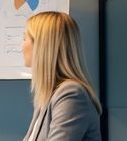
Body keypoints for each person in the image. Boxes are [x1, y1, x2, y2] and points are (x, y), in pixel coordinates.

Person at [21, 11, 102, 141]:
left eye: (25, 38)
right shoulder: (47, 95)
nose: (22, 46)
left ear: (42, 46)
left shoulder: (71, 94)